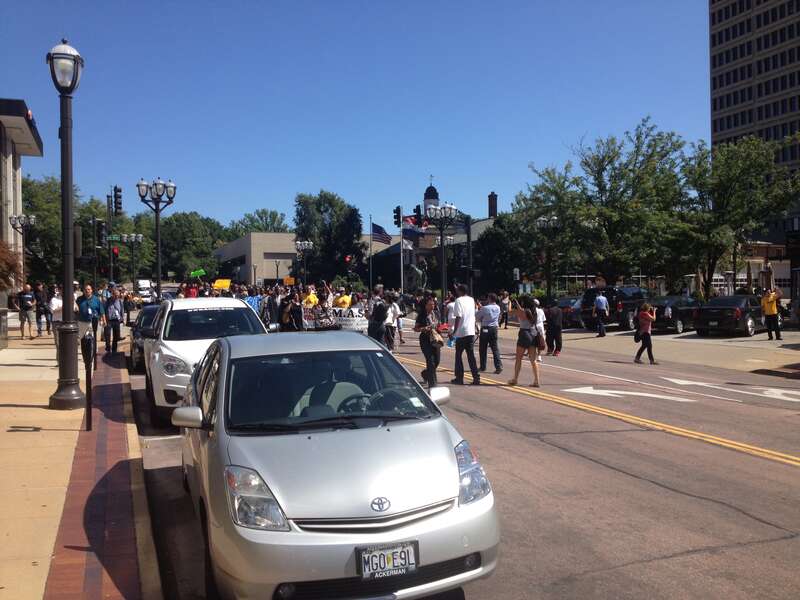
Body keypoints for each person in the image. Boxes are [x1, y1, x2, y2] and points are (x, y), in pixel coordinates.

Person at [507, 296, 544, 387]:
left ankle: (515, 379)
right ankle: (536, 380)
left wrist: (510, 303)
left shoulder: (522, 312)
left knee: (519, 358)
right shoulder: (534, 311)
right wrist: (518, 304)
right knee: (533, 360)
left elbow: (509, 311)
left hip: (524, 334)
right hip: (533, 334)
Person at [450, 284, 480, 386]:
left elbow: (458, 316)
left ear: (460, 291)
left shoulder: (458, 300)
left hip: (461, 332)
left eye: (457, 290)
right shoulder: (471, 300)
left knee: (458, 355)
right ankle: (476, 378)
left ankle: (459, 378)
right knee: (471, 356)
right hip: (470, 331)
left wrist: (454, 332)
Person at [414, 294, 442, 388]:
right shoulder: (421, 315)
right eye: (430, 304)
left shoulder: (437, 313)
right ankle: (433, 385)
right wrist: (424, 328)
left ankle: (426, 374)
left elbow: (439, 325)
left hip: (435, 339)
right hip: (425, 339)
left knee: (437, 361)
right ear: (426, 305)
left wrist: (443, 329)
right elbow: (416, 328)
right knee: (430, 361)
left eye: (433, 304)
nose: (432, 306)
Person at [477, 292, 503, 374]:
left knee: (483, 348)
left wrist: (480, 308)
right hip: (494, 328)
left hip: (485, 328)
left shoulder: (485, 308)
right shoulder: (498, 307)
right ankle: (498, 366)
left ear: (489, 299)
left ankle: (483, 366)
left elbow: (477, 317)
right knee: (495, 348)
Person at [104, 287, 124, 354]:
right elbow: (104, 309)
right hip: (108, 320)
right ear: (112, 294)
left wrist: (122, 318)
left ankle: (114, 349)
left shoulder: (120, 301)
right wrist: (103, 319)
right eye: (115, 295)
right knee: (107, 335)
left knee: (116, 336)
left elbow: (122, 310)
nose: (117, 296)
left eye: (118, 295)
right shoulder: (108, 301)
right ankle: (108, 348)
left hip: (116, 320)